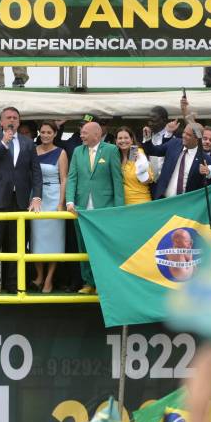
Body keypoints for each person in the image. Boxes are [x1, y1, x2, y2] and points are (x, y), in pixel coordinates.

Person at [0, 107, 43, 294]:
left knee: (16, 243)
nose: (12, 120)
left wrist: (37, 196)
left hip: (20, 199)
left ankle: (12, 283)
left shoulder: (28, 143)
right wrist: (4, 143)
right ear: (1, 122)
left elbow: (36, 172)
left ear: (19, 122)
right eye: (8, 117)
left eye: (15, 118)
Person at [65, 121, 124, 294]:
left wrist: (118, 209)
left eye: (84, 133)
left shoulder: (111, 150)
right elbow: (72, 178)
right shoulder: (77, 151)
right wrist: (70, 201)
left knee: (103, 247)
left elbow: (117, 181)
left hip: (105, 208)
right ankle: (88, 283)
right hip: (80, 208)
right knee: (83, 246)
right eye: (81, 132)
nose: (81, 135)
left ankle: (102, 283)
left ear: (96, 135)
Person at [30, 121, 67, 293]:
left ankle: (49, 279)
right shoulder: (33, 150)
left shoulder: (61, 153)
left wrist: (61, 203)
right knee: (37, 237)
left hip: (54, 197)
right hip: (36, 197)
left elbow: (64, 179)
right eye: (42, 132)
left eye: (48, 132)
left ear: (54, 134)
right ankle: (39, 276)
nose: (45, 135)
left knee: (54, 239)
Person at [143, 119, 207, 200]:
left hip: (185, 204)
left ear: (197, 139)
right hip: (163, 200)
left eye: (188, 135)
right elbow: (153, 151)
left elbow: (208, 183)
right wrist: (147, 138)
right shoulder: (174, 143)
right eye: (184, 132)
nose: (184, 135)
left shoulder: (203, 159)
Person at [115, 126, 153, 205]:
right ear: (116, 141)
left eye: (126, 138)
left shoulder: (137, 153)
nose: (123, 141)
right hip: (121, 203)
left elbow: (147, 180)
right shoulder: (115, 156)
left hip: (140, 202)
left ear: (132, 140)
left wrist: (141, 164)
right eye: (120, 138)